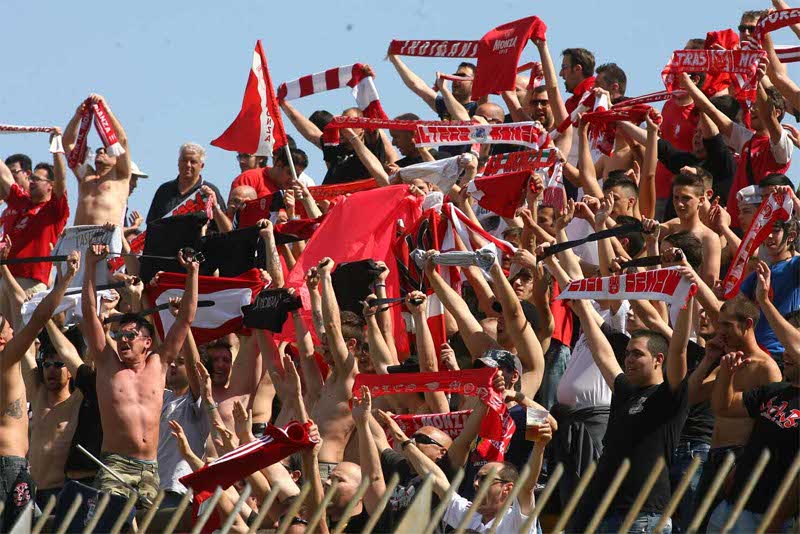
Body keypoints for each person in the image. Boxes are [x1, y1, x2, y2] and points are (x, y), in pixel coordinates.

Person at [81, 243, 199, 506]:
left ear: (147, 342)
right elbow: (89, 315)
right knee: (110, 522)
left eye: (130, 335)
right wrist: (90, 266)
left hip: (150, 467)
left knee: (148, 527)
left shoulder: (159, 363)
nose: (123, 340)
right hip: (116, 464)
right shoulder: (108, 363)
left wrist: (192, 272)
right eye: (119, 335)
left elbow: (186, 320)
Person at [568, 291, 694, 533]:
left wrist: (685, 301)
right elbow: (602, 353)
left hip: (643, 516)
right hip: (605, 512)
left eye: (637, 354)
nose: (628, 360)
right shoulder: (626, 391)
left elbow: (679, 349)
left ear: (658, 359)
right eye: (627, 354)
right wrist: (583, 309)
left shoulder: (669, 395)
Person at [0, 246, 79, 530]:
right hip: (9, 467)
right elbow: (37, 319)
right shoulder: (6, 361)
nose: (12, 327)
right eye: (7, 325)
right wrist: (66, 279)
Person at [0, 132, 69, 298]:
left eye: (36, 179)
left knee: (25, 324)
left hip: (31, 281)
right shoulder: (22, 201)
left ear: (50, 186)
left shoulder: (54, 210)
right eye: (31, 178)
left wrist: (57, 148)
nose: (31, 182)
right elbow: (4, 175)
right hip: (5, 277)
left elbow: (61, 179)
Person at [28, 323, 85, 509]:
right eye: (47, 364)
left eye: (59, 364)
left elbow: (87, 363)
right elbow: (23, 350)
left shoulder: (78, 399)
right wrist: (34, 316)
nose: (51, 369)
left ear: (69, 370)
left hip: (61, 492)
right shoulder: (37, 396)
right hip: (31, 493)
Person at [63, 94, 132, 227]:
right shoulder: (86, 174)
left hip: (105, 237)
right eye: (98, 150)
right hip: (78, 239)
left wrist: (106, 110)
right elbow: (68, 143)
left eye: (106, 151)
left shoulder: (120, 176)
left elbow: (122, 141)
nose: (100, 151)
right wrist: (78, 115)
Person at [740, 216, 799, 361]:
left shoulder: (795, 265)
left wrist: (793, 201)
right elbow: (737, 308)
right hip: (754, 351)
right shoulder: (756, 275)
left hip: (782, 352)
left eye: (775, 231)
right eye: (765, 231)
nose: (769, 236)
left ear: (791, 236)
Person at [145, 142, 231, 232]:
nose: (188, 165)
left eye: (193, 162)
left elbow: (227, 231)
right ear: (178, 163)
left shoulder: (210, 191)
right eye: (184, 160)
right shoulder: (164, 190)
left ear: (202, 166)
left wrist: (215, 207)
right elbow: (150, 228)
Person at [660, 172, 722, 284]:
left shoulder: (709, 238)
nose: (679, 204)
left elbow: (710, 284)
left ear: (701, 201)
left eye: (686, 198)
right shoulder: (668, 231)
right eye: (676, 198)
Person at [230, 147, 309, 198]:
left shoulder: (296, 192)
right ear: (278, 165)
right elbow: (235, 215)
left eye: (297, 175)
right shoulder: (248, 178)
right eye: (289, 173)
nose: (293, 180)